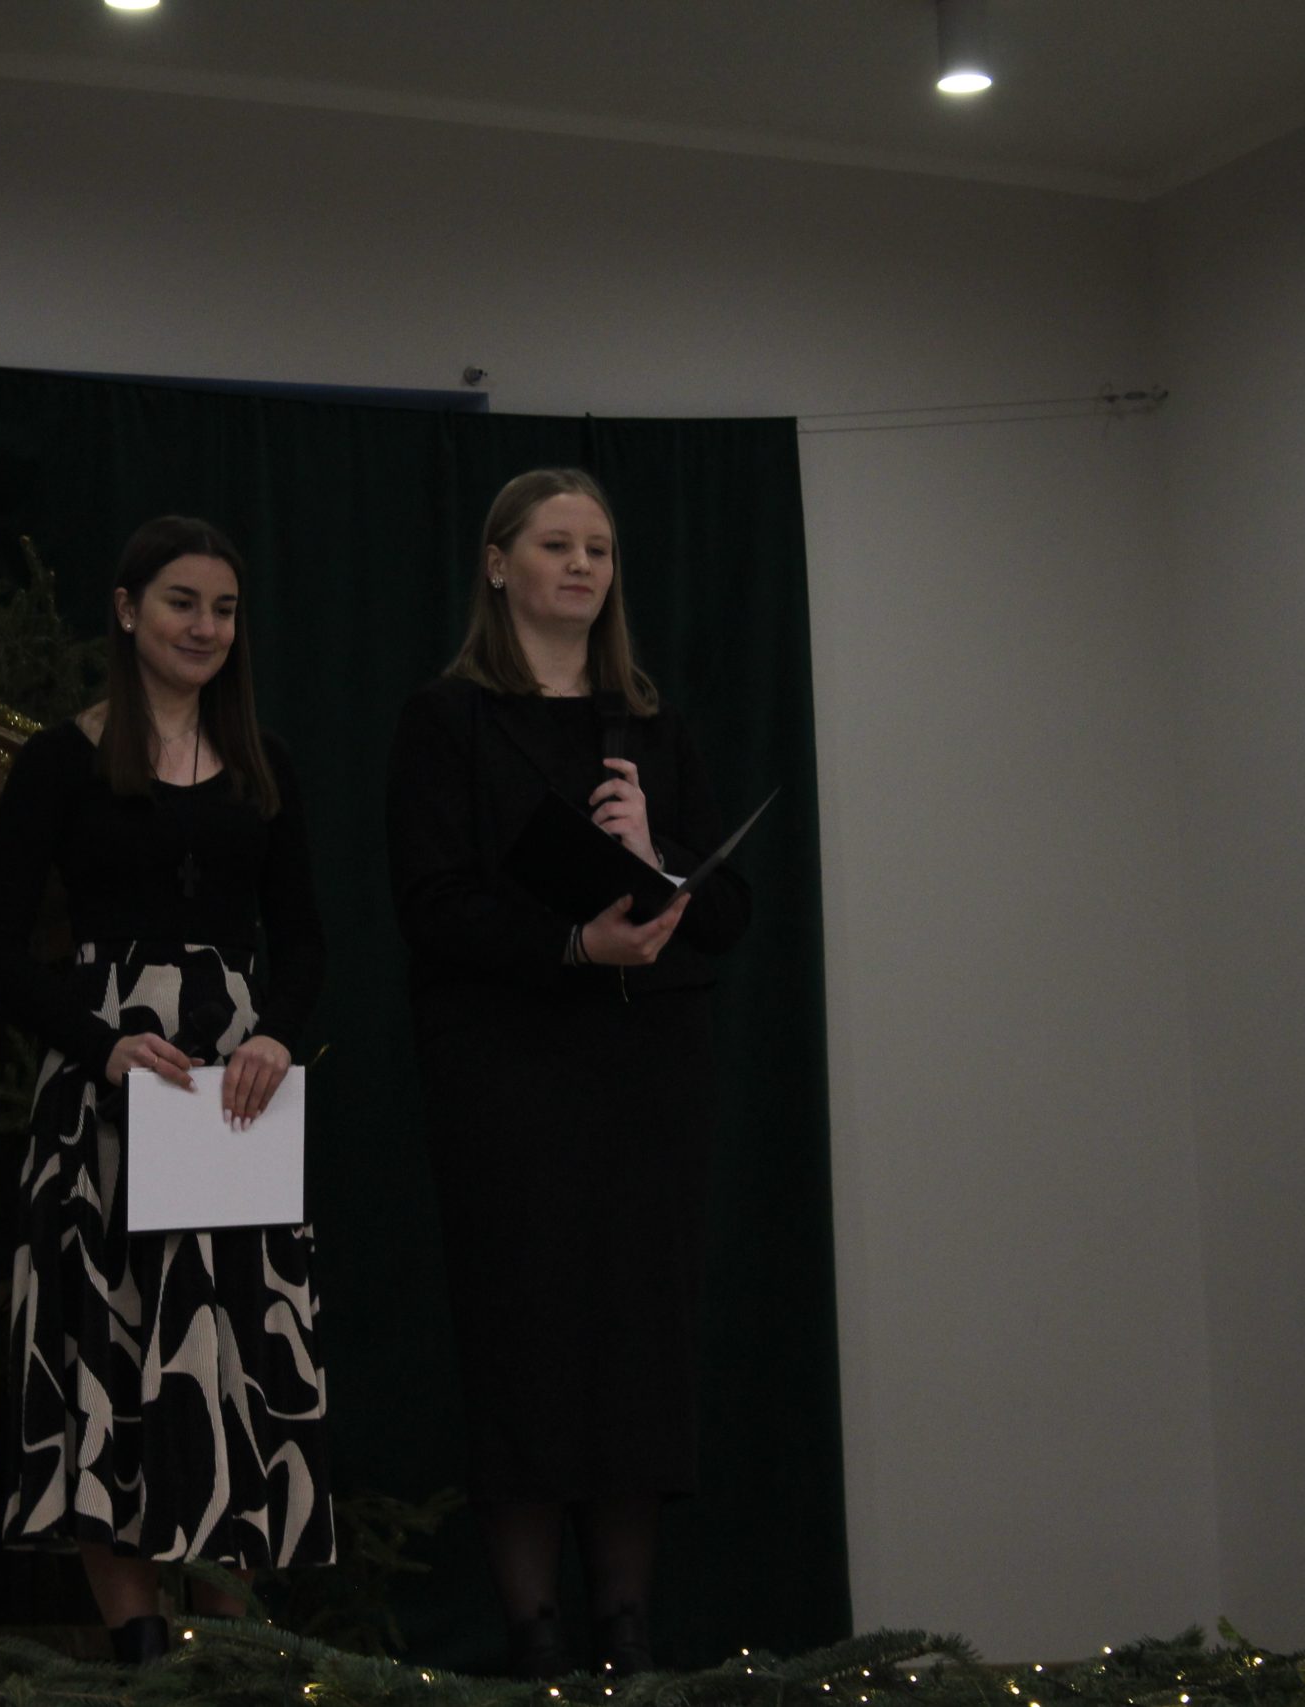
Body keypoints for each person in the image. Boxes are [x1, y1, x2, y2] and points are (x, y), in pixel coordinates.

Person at [385, 468, 752, 1677]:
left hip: (646, 1076)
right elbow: (431, 906)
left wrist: (656, 853)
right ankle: (534, 1644)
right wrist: (571, 946)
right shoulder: (446, 720)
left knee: (636, 1350)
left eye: (599, 547)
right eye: (556, 544)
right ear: (499, 565)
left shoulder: (651, 725)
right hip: (508, 1076)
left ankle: (628, 1638)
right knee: (528, 1343)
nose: (583, 565)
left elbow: (727, 911)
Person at [0, 515, 331, 1662]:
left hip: (232, 1093)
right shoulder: (60, 760)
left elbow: (307, 943)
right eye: (182, 602)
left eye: (223, 609)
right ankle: (136, 1649)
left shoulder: (265, 764)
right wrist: (103, 1046)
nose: (204, 627)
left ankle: (225, 1657)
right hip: (107, 1098)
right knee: (104, 1349)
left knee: (233, 1356)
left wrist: (274, 1037)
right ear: (128, 611)